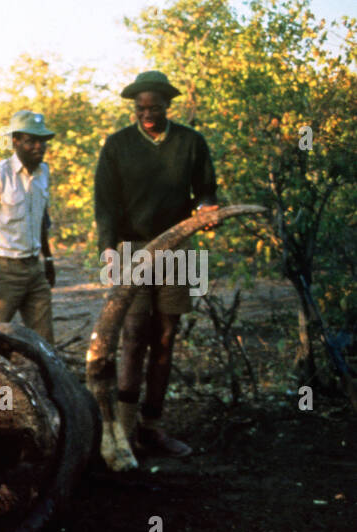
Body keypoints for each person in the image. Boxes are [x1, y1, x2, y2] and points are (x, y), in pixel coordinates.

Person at [94, 70, 219, 457]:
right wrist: (108, 251)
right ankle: (124, 432)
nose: (147, 114)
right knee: (132, 336)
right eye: (140, 108)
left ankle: (152, 427)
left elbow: (207, 191)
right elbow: (106, 205)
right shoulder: (117, 145)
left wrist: (207, 207)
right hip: (132, 249)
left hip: (182, 248)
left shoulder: (191, 142)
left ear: (168, 106)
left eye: (154, 107)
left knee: (166, 337)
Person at [0, 110, 57, 345]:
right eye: (31, 141)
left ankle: (44, 382)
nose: (39, 147)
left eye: (42, 141)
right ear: (15, 141)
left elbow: (40, 220)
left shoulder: (43, 173)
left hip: (33, 268)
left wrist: (47, 259)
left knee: (45, 343)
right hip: (2, 270)